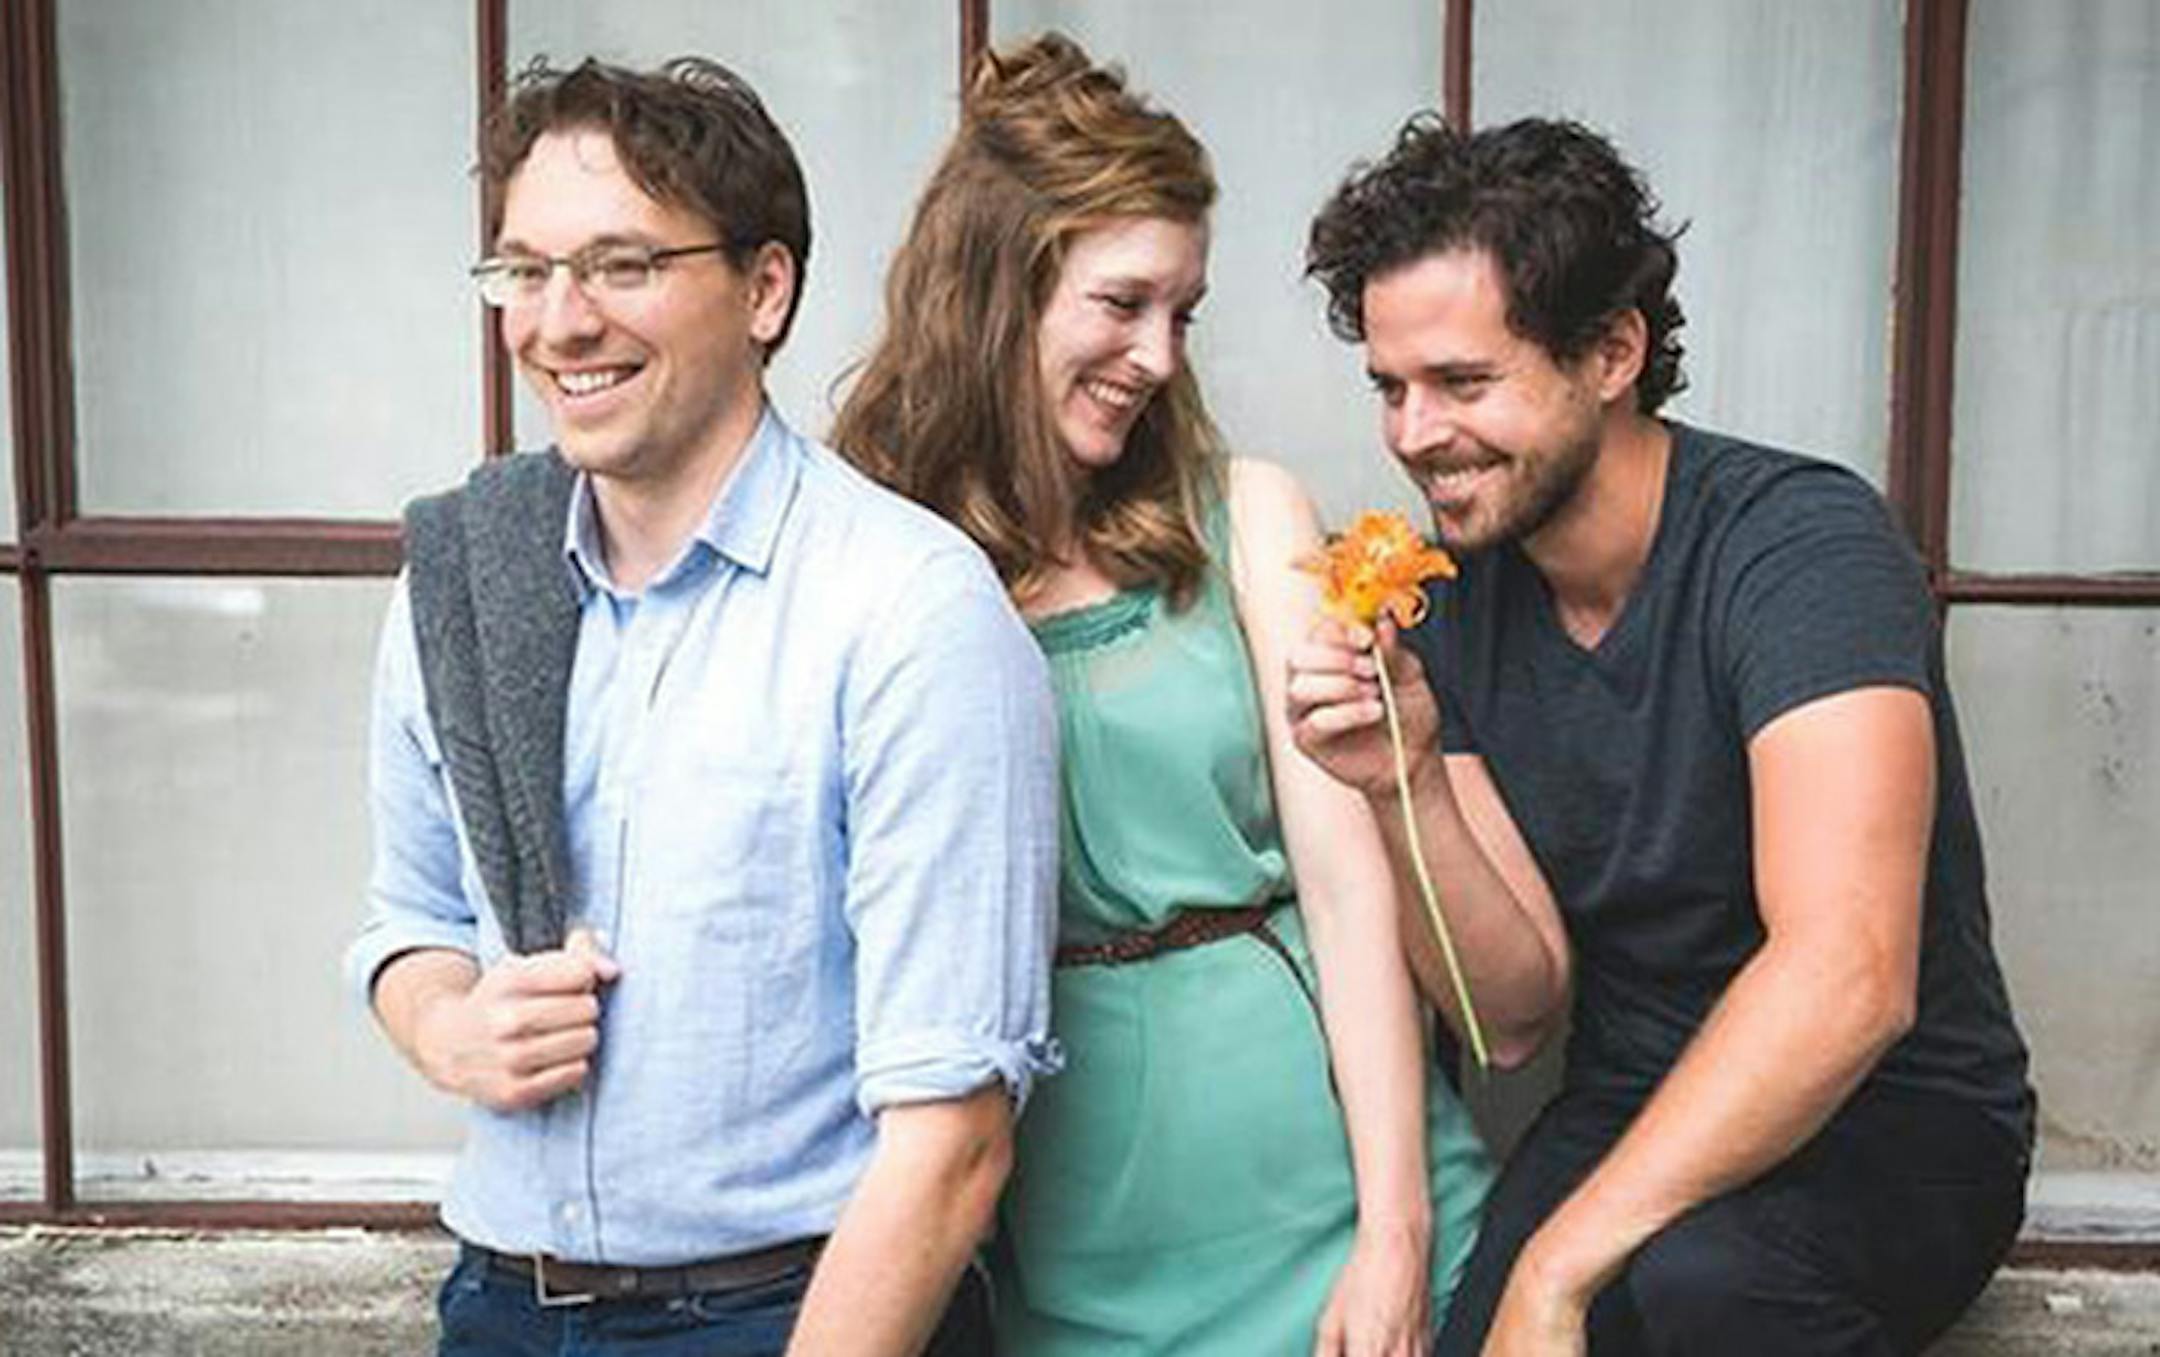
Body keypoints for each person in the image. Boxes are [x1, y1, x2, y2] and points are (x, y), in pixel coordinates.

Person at [344, 56, 1060, 1357]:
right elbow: (410, 919)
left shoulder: (907, 610)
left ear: (765, 288)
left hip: (784, 1311)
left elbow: (954, 1141)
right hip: (499, 1304)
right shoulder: (463, 573)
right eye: (525, 269)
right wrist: (452, 1024)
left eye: (621, 265)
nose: (558, 322)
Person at [1290, 115, 2034, 1355]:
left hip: (1898, 1121)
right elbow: (1511, 1015)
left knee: (1704, 1286)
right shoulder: (1454, 597)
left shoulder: (1799, 548)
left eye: (1465, 383)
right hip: (1635, 1095)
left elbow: (1849, 978)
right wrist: (1402, 779)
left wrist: (1561, 1269)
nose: (1416, 435)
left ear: (1613, 351)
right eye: (1390, 387)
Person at [832, 34, 1492, 1357]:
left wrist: (1396, 1232)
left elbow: (1349, 886)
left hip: (1322, 1190)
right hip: (1058, 1238)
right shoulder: (865, 551)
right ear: (996, 288)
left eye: (1182, 313)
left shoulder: (1246, 515)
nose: (1158, 355)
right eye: (1123, 302)